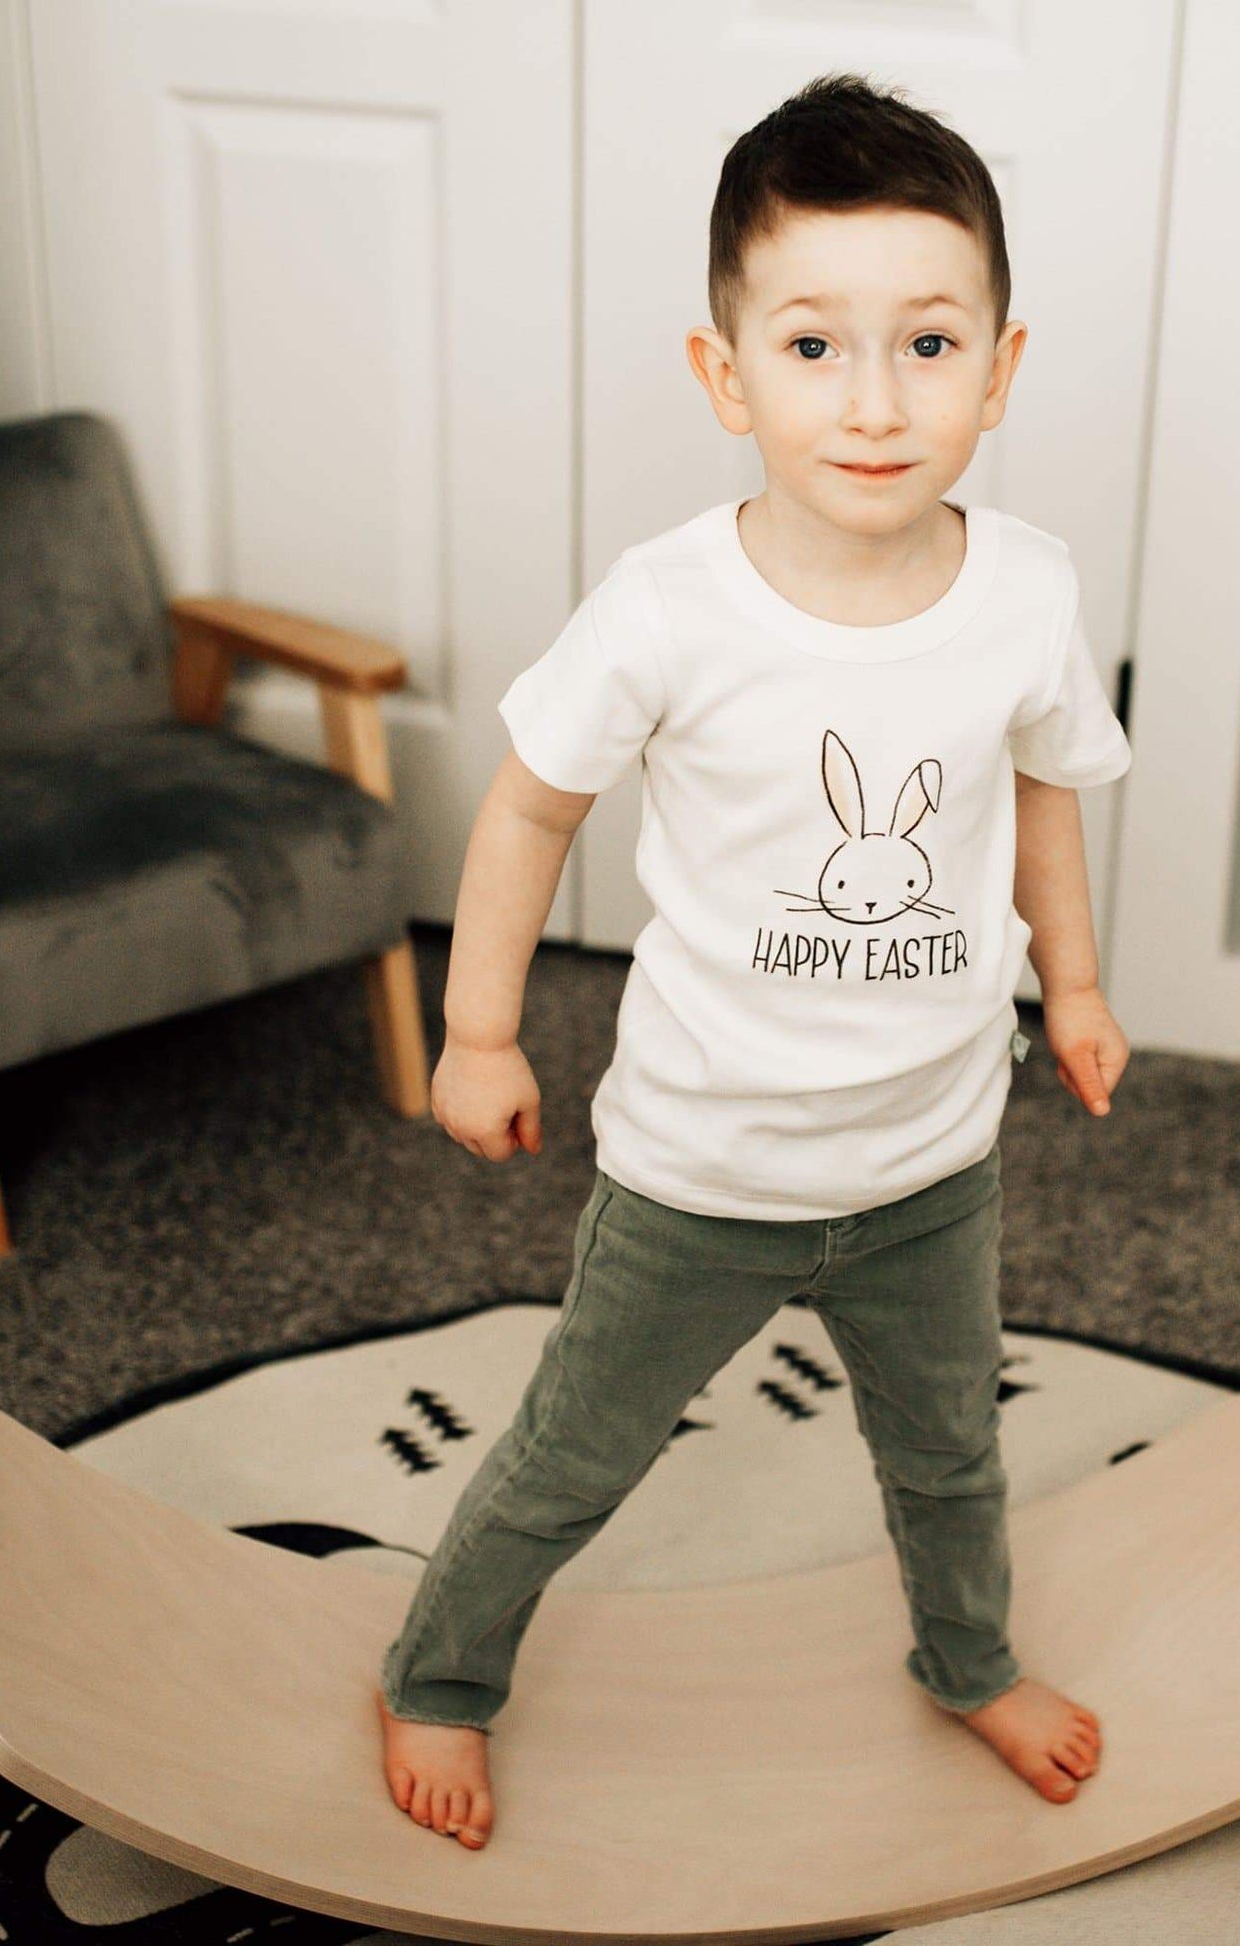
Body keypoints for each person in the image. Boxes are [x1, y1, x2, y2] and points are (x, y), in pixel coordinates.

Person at [376, 70, 1132, 1851]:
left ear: (1000, 368)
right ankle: (440, 1672)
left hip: (930, 1157)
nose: (874, 402)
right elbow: (527, 811)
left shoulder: (1026, 591)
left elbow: (1042, 800)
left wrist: (1077, 987)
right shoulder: (666, 608)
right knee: (576, 1451)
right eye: (811, 347)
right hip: (700, 1169)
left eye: (927, 345)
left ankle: (967, 1660)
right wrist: (478, 1030)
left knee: (947, 1451)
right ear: (727, 376)